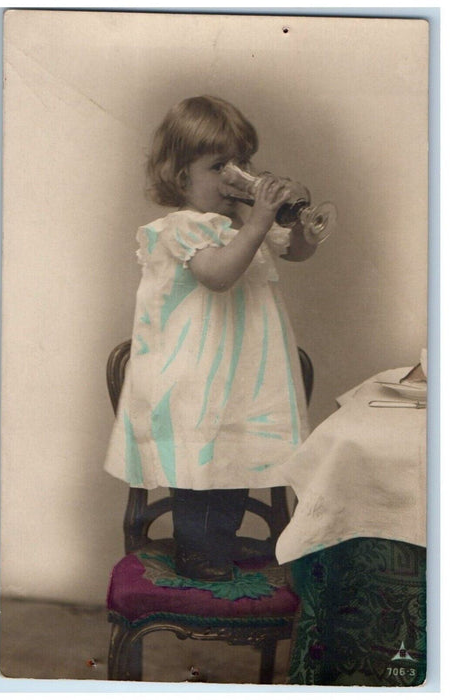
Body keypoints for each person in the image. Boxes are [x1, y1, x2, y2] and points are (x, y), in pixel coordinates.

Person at [104, 95, 317, 581]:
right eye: (218, 165)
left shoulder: (243, 227)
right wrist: (260, 222)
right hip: (192, 379)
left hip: (241, 376)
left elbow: (298, 252)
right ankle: (197, 549)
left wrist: (300, 224)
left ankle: (217, 542)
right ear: (181, 177)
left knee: (232, 461)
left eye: (242, 163)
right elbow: (218, 275)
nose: (235, 176)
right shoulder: (180, 228)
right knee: (201, 468)